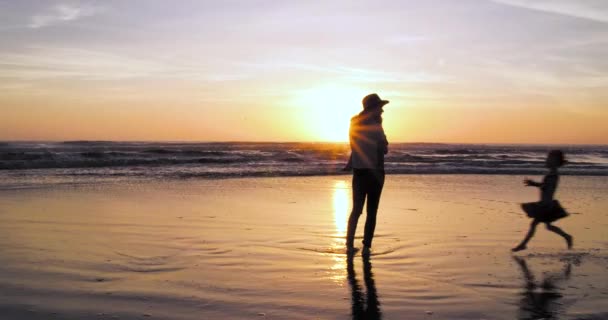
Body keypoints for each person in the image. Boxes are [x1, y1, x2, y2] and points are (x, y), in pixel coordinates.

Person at [344, 93, 389, 255]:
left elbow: (354, 147)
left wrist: (350, 163)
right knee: (372, 211)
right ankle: (367, 246)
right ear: (373, 108)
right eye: (380, 108)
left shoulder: (353, 123)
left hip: (359, 171)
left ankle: (349, 244)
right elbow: (383, 149)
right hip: (375, 172)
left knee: (356, 209)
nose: (382, 111)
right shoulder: (376, 125)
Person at [512, 150, 573, 252]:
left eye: (550, 159)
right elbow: (545, 186)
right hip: (546, 203)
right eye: (548, 158)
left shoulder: (553, 175)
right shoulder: (552, 174)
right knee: (548, 226)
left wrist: (534, 184)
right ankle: (567, 236)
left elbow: (546, 187)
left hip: (545, 205)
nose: (547, 160)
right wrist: (534, 184)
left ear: (555, 162)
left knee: (534, 224)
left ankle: (523, 244)